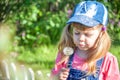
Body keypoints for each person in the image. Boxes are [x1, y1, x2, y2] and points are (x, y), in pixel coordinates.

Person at [50, 1, 120, 80]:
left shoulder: (108, 60)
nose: (81, 39)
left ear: (101, 33)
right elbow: (52, 77)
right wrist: (57, 77)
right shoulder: (65, 55)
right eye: (77, 33)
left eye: (87, 34)